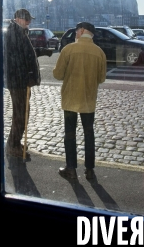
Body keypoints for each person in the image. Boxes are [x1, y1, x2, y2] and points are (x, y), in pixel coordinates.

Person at [53, 22, 106, 180]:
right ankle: (89, 170)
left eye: (76, 31)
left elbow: (58, 75)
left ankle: (71, 169)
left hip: (70, 98)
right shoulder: (99, 52)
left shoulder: (69, 49)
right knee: (89, 134)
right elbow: (101, 78)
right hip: (88, 100)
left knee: (70, 134)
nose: (75, 33)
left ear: (82, 31)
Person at [4, 8, 53, 158]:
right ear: (18, 18)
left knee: (22, 113)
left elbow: (27, 53)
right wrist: (29, 75)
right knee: (21, 114)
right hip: (19, 81)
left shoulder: (19, 32)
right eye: (26, 19)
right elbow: (17, 59)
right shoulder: (15, 33)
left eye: (29, 19)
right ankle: (13, 146)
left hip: (20, 80)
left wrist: (41, 51)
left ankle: (14, 142)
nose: (29, 22)